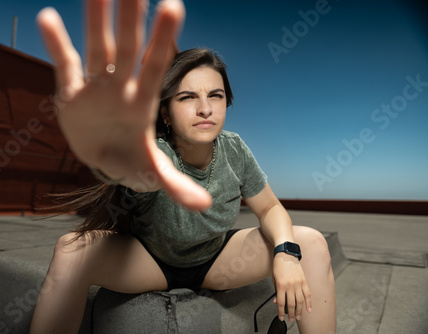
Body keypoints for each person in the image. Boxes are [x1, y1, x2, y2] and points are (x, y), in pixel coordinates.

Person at [30, 0, 336, 333]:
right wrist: (116, 164)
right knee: (72, 249)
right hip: (150, 261)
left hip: (217, 260)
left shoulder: (234, 148)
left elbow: (270, 207)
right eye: (187, 97)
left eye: (215, 95)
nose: (205, 108)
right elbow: (141, 175)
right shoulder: (157, 153)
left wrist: (285, 253)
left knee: (312, 243)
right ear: (165, 113)